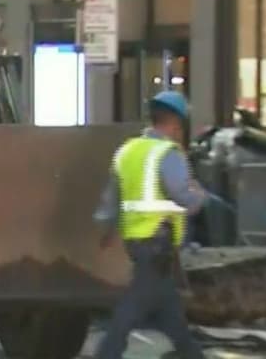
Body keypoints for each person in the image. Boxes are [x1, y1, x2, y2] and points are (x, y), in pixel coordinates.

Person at [92, 90, 207, 359]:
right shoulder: (167, 153)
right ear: (175, 123)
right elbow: (180, 194)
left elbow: (112, 199)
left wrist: (108, 231)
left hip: (136, 240)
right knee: (132, 306)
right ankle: (107, 353)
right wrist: (200, 197)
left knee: (169, 309)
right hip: (157, 240)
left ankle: (191, 353)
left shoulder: (127, 151)